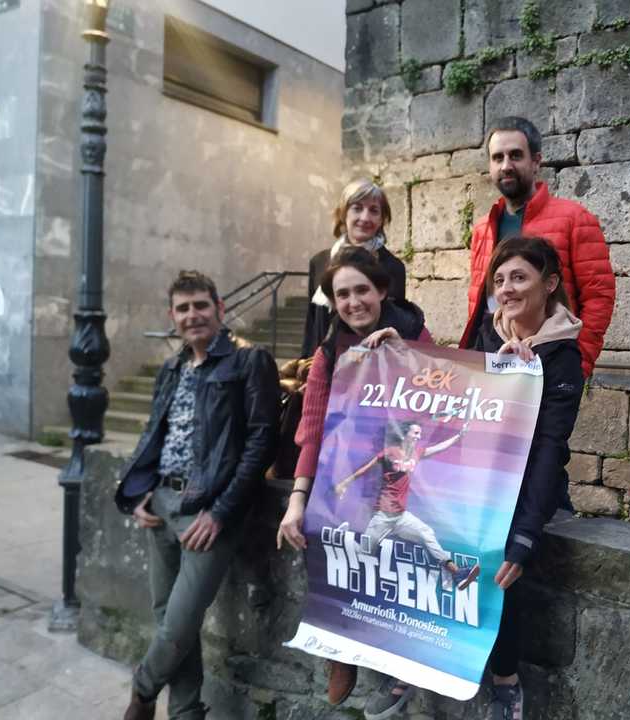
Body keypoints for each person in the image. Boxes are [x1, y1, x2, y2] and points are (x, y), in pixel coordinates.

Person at [115, 270, 280, 720]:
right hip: (161, 504)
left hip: (208, 509)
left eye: (201, 305)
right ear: (172, 316)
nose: (193, 315)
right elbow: (155, 433)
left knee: (179, 622)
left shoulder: (249, 360)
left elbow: (261, 442)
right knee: (167, 616)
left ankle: (142, 691)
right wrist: (140, 492)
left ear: (219, 308)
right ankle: (187, 712)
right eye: (183, 309)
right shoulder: (172, 368)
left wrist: (221, 512)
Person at [276, 247, 433, 717]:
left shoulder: (415, 333)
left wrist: (406, 355)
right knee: (324, 533)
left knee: (407, 558)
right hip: (350, 474)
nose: (353, 302)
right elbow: (313, 429)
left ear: (382, 290)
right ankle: (339, 645)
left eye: (361, 290)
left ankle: (402, 667)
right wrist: (297, 499)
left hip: (409, 472)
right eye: (342, 295)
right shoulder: (330, 352)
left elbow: (441, 398)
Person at [469, 236, 585, 720]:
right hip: (480, 479)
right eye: (499, 280)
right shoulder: (486, 334)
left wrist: (525, 535)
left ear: (550, 283)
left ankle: (507, 682)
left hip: (530, 487)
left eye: (519, 277)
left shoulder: (563, 357)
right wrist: (394, 349)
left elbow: (548, 449)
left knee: (501, 566)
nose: (507, 289)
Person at [458, 116, 615, 379]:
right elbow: (482, 302)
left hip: (549, 363)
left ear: (536, 161)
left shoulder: (575, 219)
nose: (506, 166)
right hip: (492, 360)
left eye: (515, 155)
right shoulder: (483, 228)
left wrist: (577, 364)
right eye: (497, 158)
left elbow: (599, 297)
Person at [334, 419, 480, 592]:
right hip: (383, 516)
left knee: (427, 533)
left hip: (402, 517)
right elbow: (367, 468)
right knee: (364, 555)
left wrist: (459, 435)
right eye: (415, 433)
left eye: (420, 434)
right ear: (405, 435)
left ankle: (457, 573)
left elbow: (440, 447)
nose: (418, 436)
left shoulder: (417, 453)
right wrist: (344, 483)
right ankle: (342, 539)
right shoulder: (390, 452)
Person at [301, 178, 406, 358]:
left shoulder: (392, 267)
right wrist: (305, 361)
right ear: (344, 214)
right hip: (321, 361)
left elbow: (391, 324)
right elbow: (312, 322)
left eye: (374, 211)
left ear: (382, 219)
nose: (365, 218)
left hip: (365, 364)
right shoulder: (319, 262)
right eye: (357, 208)